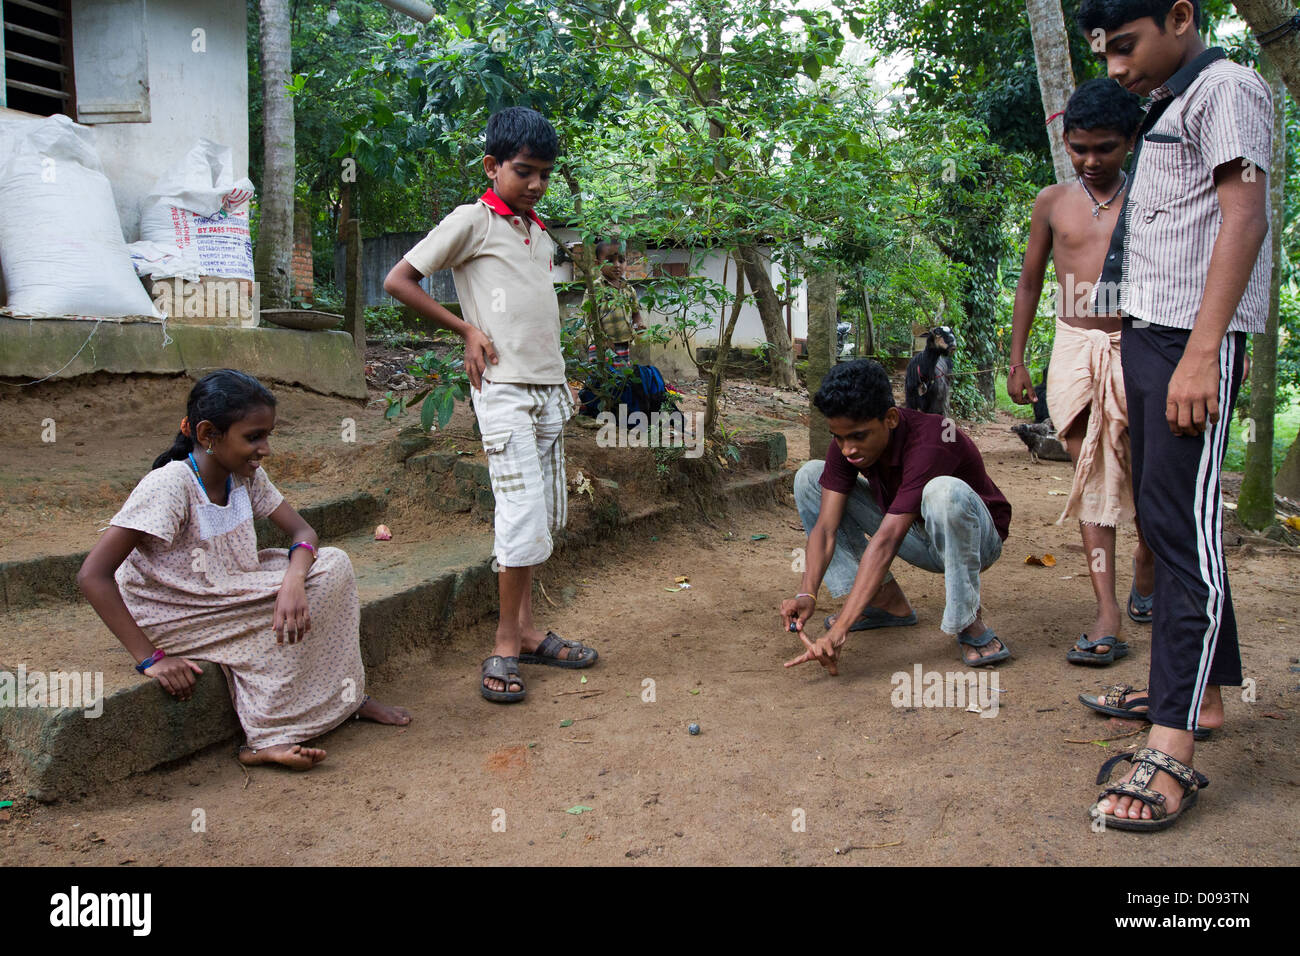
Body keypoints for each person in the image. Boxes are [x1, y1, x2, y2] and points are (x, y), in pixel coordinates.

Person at [1076, 0, 1271, 830]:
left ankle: (1173, 740)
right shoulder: (1170, 100)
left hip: (1192, 342)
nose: (1116, 68)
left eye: (1126, 46)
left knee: (1184, 536)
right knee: (1166, 523)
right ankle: (1200, 695)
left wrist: (1202, 351)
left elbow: (1244, 215)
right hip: (1156, 337)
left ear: (1181, 16)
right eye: (1106, 53)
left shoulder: (1227, 87)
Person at [77, 370, 410, 771]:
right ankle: (266, 736)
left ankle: (347, 699)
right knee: (291, 602)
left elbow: (303, 532)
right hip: (179, 609)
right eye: (254, 437)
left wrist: (293, 580)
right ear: (207, 434)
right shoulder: (169, 486)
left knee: (334, 565)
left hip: (232, 584)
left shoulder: (245, 475)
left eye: (267, 434)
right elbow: (92, 575)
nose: (265, 448)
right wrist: (150, 659)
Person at [383, 106, 598, 703]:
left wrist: (563, 378)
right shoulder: (471, 220)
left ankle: (528, 631)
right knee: (522, 516)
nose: (535, 184)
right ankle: (505, 644)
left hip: (549, 389)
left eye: (544, 174)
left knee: (545, 516)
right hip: (503, 391)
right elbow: (399, 280)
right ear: (492, 166)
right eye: (524, 171)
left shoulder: (536, 229)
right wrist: (466, 331)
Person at [1008, 78, 1156, 667]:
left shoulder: (1152, 198)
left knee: (1147, 476)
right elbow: (1029, 282)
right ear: (1065, 142)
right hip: (1073, 346)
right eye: (1080, 148)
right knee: (1092, 475)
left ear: (1131, 142)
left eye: (1106, 148)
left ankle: (1147, 565)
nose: (1091, 161)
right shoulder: (1053, 202)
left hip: (1140, 344)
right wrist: (1018, 359)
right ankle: (1106, 613)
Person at [782, 359, 1013, 674]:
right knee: (810, 477)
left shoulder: (933, 437)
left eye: (858, 436)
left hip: (975, 541)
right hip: (915, 534)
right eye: (838, 437)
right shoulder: (846, 445)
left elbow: (887, 540)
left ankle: (968, 619)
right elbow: (825, 528)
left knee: (942, 492)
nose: (847, 448)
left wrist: (839, 631)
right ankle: (885, 601)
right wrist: (807, 592)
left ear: (890, 419)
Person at [584, 239, 645, 372]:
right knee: (601, 378)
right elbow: (590, 317)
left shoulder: (628, 289)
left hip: (623, 342)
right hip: (600, 344)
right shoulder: (595, 288)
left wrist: (638, 325)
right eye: (610, 260)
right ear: (597, 263)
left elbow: (636, 314)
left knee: (621, 378)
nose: (617, 265)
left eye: (621, 260)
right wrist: (604, 340)